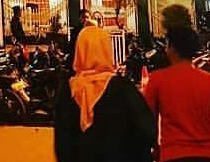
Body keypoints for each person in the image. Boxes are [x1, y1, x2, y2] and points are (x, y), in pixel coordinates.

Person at [53, 25, 153, 162]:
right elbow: (147, 130)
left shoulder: (67, 92)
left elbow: (62, 145)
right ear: (107, 50)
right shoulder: (122, 89)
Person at [145, 26, 210, 162]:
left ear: (171, 48)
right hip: (208, 156)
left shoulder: (156, 80)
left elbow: (148, 121)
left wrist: (155, 148)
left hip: (172, 155)